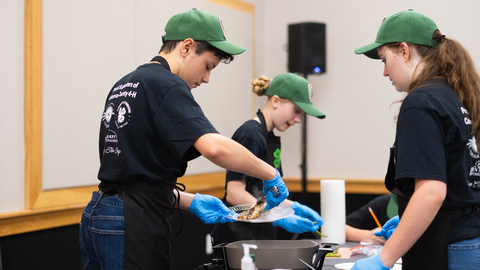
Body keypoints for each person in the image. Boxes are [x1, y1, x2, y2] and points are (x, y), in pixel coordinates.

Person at [79, 8, 289, 270]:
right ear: (187, 47)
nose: (206, 78)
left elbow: (134, 175)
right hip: (131, 220)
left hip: (99, 213)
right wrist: (269, 173)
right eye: (207, 67)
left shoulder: (127, 83)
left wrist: (192, 202)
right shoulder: (167, 84)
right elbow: (214, 147)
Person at [352, 9, 480, 270]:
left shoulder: (420, 102)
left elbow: (432, 192)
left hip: (451, 247)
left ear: (404, 50)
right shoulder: (458, 97)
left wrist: (383, 259)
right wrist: (409, 219)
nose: (385, 72)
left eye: (384, 60)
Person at [211, 73, 325, 246]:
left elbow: (267, 196)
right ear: (276, 101)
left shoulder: (269, 137)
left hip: (259, 237)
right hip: (237, 239)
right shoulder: (251, 134)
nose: (298, 120)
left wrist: (293, 207)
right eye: (296, 111)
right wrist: (278, 218)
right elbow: (235, 194)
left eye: (302, 115)